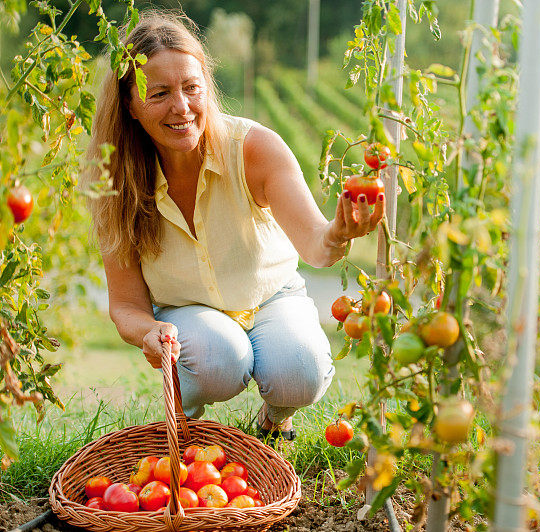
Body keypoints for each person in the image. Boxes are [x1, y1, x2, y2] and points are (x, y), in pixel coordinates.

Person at [85, 12, 385, 442]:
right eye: (160, 93)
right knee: (219, 357)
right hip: (187, 315)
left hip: (270, 298)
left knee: (300, 370)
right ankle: (186, 428)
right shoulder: (114, 183)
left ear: (206, 86)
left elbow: (316, 247)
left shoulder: (254, 149)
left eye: (192, 87)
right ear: (130, 105)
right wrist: (151, 332)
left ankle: (273, 421)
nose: (182, 107)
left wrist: (337, 234)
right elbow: (126, 306)